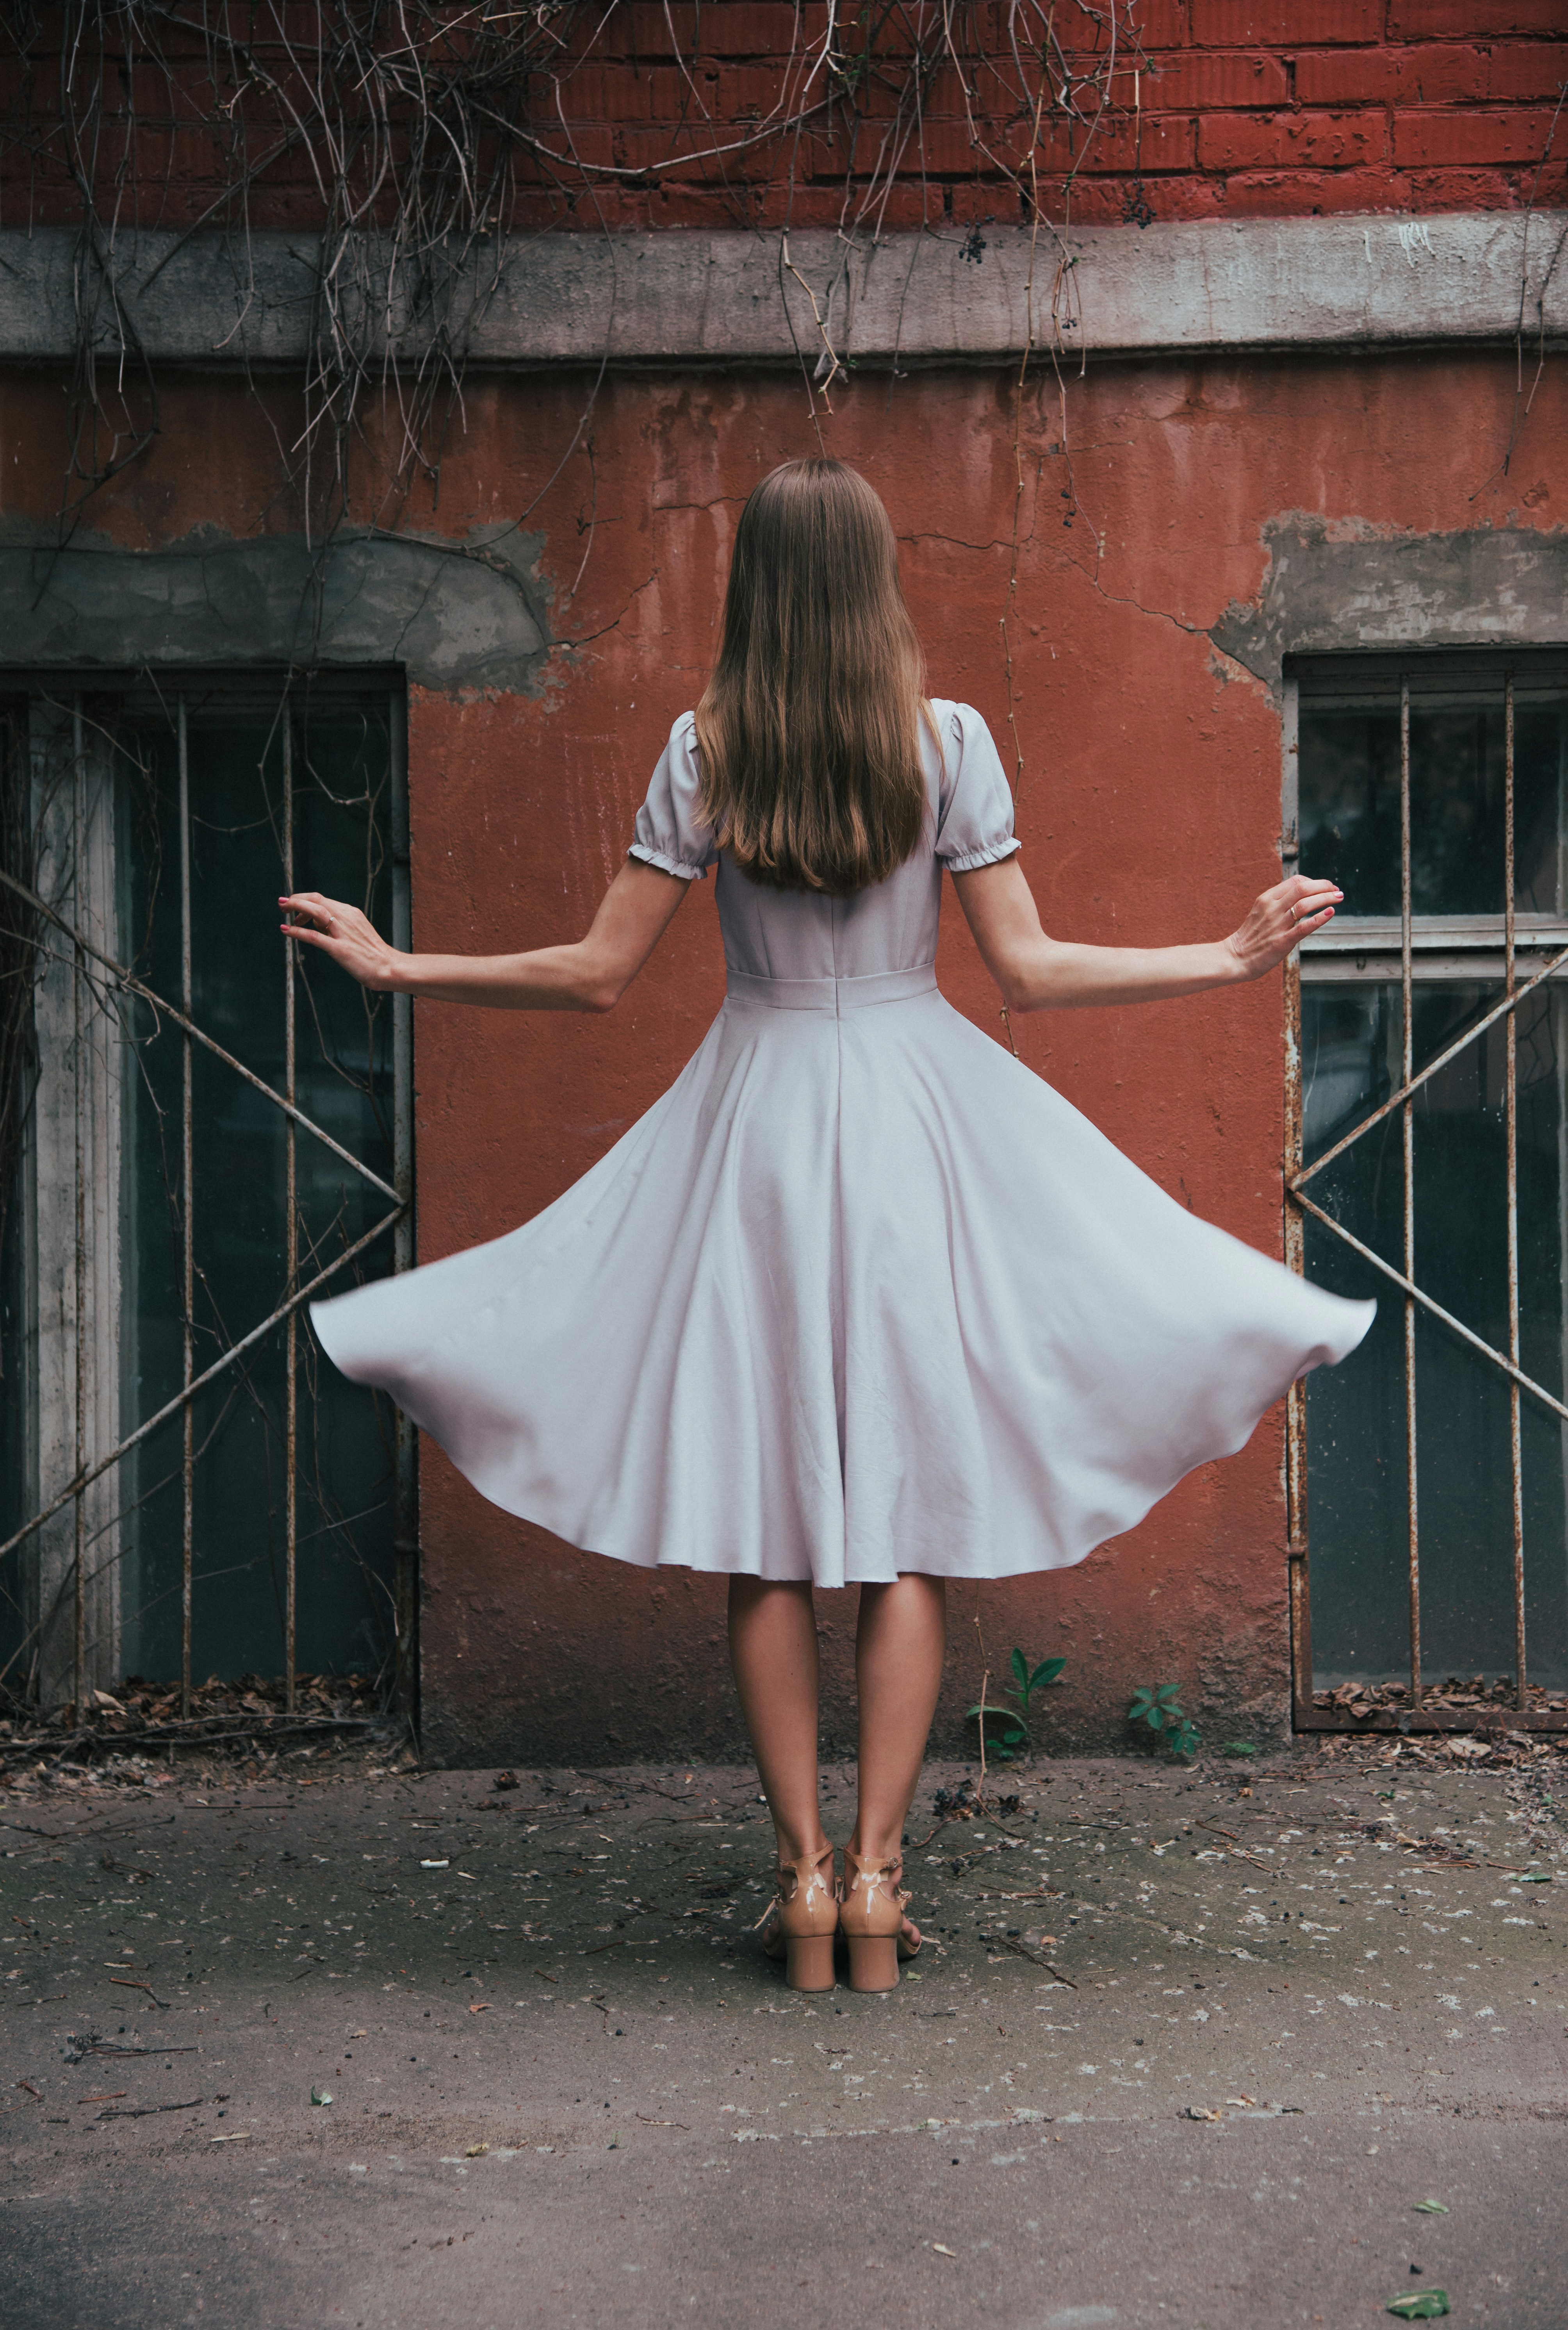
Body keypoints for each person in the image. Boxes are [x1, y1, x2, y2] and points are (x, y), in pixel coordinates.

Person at [283, 458, 1372, 1995]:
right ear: (873, 585)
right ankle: (876, 1878)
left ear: (752, 590)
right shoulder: (946, 746)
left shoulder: (702, 750)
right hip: (912, 1123)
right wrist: (1225, 953)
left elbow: (598, 971)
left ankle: (798, 1880)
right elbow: (1031, 971)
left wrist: (402, 969)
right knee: (903, 1530)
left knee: (771, 1529)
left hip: (757, 1129)